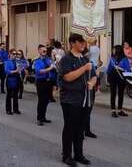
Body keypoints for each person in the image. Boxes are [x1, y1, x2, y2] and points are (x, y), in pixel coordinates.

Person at [57, 33, 97, 166]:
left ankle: (79, 154)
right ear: (73, 43)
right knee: (70, 128)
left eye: (84, 42)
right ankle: (67, 155)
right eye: (81, 42)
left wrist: (92, 82)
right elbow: (67, 77)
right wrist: (84, 68)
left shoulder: (85, 59)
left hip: (84, 99)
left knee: (80, 129)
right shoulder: (66, 59)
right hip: (70, 99)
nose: (83, 45)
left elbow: (93, 75)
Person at [32, 45, 55, 126]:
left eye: (46, 51)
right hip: (41, 82)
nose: (45, 52)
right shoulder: (37, 61)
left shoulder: (48, 59)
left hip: (48, 82)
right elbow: (39, 71)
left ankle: (43, 117)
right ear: (39, 51)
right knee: (41, 100)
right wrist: (49, 68)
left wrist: (55, 62)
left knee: (46, 100)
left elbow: (54, 67)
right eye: (43, 51)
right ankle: (39, 118)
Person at [107, 45, 131, 118]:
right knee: (113, 93)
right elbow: (109, 69)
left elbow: (128, 70)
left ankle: (120, 109)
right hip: (113, 77)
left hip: (121, 77)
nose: (113, 51)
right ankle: (113, 110)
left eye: (114, 49)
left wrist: (120, 68)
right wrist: (108, 73)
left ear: (118, 50)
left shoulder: (124, 59)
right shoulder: (112, 58)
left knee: (121, 94)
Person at [5, 49, 21, 115]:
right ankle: (8, 110)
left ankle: (15, 109)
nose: (15, 55)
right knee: (9, 95)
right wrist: (15, 71)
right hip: (10, 78)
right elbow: (7, 71)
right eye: (13, 54)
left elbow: (20, 68)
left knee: (15, 95)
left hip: (17, 78)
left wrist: (20, 69)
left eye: (16, 54)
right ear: (10, 54)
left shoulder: (17, 61)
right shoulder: (7, 62)